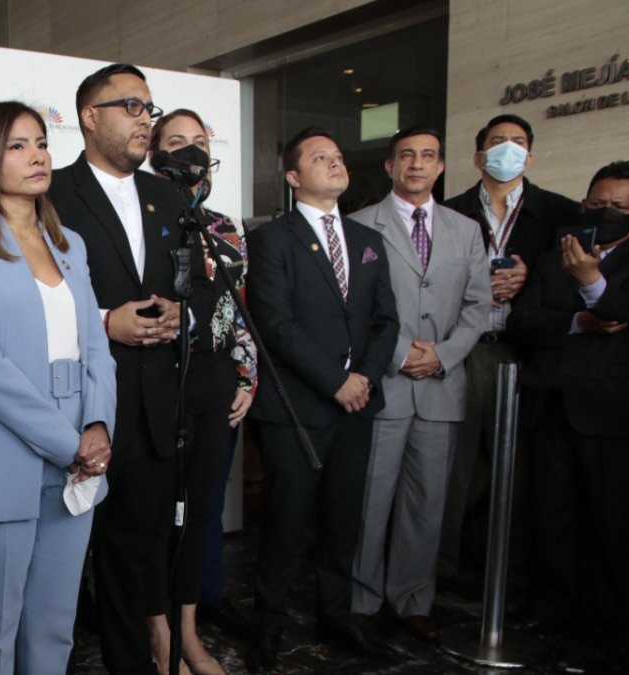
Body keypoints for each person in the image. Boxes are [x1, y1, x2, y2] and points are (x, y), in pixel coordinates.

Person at [0, 100, 117, 674]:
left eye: (40, 143)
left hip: (79, 455)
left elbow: (96, 346)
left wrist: (99, 424)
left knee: (54, 630)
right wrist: (67, 442)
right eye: (17, 146)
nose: (37, 156)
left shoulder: (70, 244)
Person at [243, 127, 399, 672]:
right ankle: (269, 622)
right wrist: (335, 380)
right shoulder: (270, 240)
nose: (334, 163)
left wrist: (366, 379)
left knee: (342, 520)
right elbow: (276, 324)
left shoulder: (367, 240)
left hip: (357, 405)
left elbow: (386, 321)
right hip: (298, 410)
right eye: (319, 157)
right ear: (293, 177)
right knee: (286, 521)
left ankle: (336, 616)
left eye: (337, 156)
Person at [47, 62, 183, 675]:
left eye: (150, 108)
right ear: (89, 116)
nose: (145, 119)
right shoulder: (49, 191)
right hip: (72, 408)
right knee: (54, 564)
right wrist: (105, 322)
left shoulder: (168, 195)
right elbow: (31, 297)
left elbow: (195, 284)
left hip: (153, 407)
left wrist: (184, 312)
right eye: (131, 105)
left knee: (133, 560)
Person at [347, 127, 490, 643]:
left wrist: (444, 355)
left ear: (442, 167)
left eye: (428, 156)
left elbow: (480, 306)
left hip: (441, 385)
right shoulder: (361, 224)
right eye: (406, 155)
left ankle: (413, 599)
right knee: (370, 498)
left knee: (427, 502)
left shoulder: (466, 230)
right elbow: (356, 306)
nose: (417, 164)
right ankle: (360, 599)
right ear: (389, 166)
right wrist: (402, 351)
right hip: (384, 383)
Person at [439, 114, 578, 579]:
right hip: (468, 347)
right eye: (497, 142)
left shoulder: (562, 213)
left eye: (518, 143)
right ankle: (444, 569)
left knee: (520, 467)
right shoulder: (450, 212)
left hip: (528, 354)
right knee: (455, 466)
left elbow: (576, 283)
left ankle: (511, 575)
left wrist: (532, 279)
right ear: (478, 156)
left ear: (531, 156)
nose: (507, 151)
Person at [145, 109, 257, 674]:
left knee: (201, 511)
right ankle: (158, 635)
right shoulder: (141, 218)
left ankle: (189, 632)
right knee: (156, 515)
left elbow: (242, 315)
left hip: (216, 383)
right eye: (175, 143)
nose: (189, 153)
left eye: (198, 143)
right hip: (156, 379)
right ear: (153, 153)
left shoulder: (225, 226)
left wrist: (247, 377)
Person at [508, 160, 629, 642]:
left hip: (611, 412)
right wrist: (578, 321)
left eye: (619, 207)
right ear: (584, 203)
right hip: (552, 403)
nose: (607, 213)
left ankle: (612, 620)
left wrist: (591, 284)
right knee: (550, 515)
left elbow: (622, 314)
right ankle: (550, 607)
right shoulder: (555, 253)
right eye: (598, 204)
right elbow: (523, 322)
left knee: (612, 519)